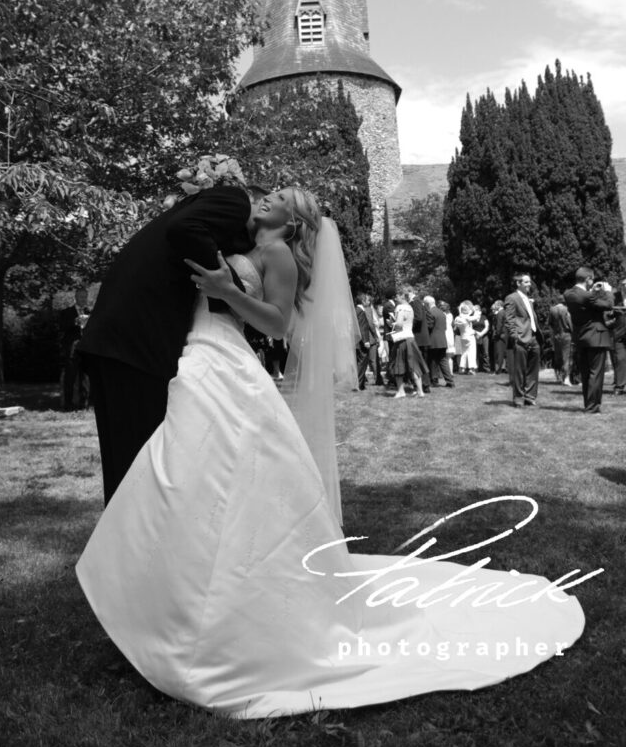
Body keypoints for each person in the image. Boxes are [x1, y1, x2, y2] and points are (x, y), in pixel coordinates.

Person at [76, 187, 584, 719]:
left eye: (278, 197)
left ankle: (202, 605)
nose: (264, 196)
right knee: (185, 469)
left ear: (294, 221)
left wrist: (228, 288)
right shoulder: (245, 240)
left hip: (220, 348)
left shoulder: (277, 256)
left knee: (210, 468)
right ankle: (168, 592)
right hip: (196, 350)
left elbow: (276, 325)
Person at [78, 181, 256, 504]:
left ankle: (124, 552)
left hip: (119, 339)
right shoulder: (237, 198)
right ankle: (131, 552)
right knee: (140, 473)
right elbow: (183, 228)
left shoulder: (195, 212)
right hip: (136, 345)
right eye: (268, 198)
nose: (269, 203)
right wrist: (230, 292)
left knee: (128, 474)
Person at [564, 267, 614, 414]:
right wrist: (608, 290)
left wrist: (592, 289)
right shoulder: (587, 296)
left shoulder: (568, 294)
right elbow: (608, 305)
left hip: (581, 337)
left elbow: (588, 303)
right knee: (596, 373)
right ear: (587, 279)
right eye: (591, 279)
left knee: (586, 373)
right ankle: (593, 406)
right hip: (596, 336)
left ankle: (588, 403)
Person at [504, 272, 541, 408]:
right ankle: (518, 399)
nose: (529, 284)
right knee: (519, 371)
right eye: (526, 282)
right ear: (518, 284)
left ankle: (530, 397)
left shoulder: (527, 298)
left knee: (533, 370)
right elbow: (509, 320)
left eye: (529, 282)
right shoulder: (511, 298)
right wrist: (516, 337)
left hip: (534, 337)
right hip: (521, 339)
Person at [58, 286, 91, 412]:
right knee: (70, 378)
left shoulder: (90, 312)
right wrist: (75, 322)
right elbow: (62, 327)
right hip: (72, 349)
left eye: (85, 297)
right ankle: (68, 405)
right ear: (76, 297)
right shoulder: (66, 312)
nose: (83, 299)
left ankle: (84, 405)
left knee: (85, 378)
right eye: (81, 296)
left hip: (87, 348)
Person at [388, 292, 427, 398]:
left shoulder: (400, 308)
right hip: (410, 338)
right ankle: (420, 391)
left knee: (399, 365)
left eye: (397, 296)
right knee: (414, 365)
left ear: (402, 297)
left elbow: (399, 325)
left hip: (401, 339)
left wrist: (391, 324)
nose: (395, 297)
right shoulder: (410, 308)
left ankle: (401, 391)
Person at [424, 295, 454, 387]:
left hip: (433, 340)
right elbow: (444, 327)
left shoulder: (430, 312)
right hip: (442, 340)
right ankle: (450, 381)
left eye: (425, 304)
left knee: (432, 361)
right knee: (443, 361)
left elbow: (429, 327)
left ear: (427, 304)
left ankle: (434, 380)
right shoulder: (442, 313)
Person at [548, 296, 573, 386]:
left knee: (558, 356)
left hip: (556, 335)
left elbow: (550, 323)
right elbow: (569, 323)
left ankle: (559, 377)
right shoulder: (566, 310)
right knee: (566, 357)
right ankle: (566, 378)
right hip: (566, 335)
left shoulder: (552, 310)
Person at [454, 301, 477, 374]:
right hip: (469, 336)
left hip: (462, 337)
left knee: (464, 353)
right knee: (472, 352)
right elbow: (476, 317)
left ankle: (462, 368)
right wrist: (474, 310)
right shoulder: (467, 317)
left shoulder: (457, 318)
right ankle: (471, 369)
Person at [612, 278, 626, 395]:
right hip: (619, 334)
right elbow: (607, 313)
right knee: (620, 359)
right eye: (624, 284)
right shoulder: (614, 297)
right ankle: (619, 386)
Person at [355, 294, 372, 390]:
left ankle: (360, 383)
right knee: (362, 362)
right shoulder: (361, 311)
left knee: (359, 362)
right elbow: (361, 327)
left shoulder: (356, 310)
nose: (369, 302)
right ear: (363, 301)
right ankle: (359, 384)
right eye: (367, 300)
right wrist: (366, 341)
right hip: (361, 342)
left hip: (357, 342)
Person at [472, 305, 490, 373]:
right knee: (475, 353)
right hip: (475, 337)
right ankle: (476, 368)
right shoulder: (472, 318)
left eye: (475, 310)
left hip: (484, 337)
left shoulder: (484, 317)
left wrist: (481, 334)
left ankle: (486, 368)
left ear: (479, 311)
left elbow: (487, 327)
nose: (474, 312)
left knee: (486, 352)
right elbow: (470, 328)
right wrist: (477, 333)